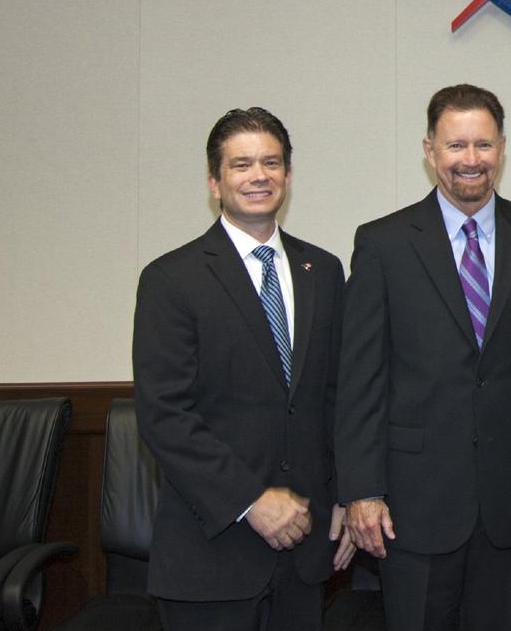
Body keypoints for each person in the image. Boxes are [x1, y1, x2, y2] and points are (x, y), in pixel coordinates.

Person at [335, 84, 511, 631]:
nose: (470, 160)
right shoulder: (383, 244)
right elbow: (360, 380)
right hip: (413, 506)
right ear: (430, 151)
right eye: (455, 146)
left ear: (502, 149)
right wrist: (361, 490)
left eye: (483, 145)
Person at [133, 107, 353, 631]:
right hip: (210, 557)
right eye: (241, 165)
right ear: (215, 182)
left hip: (304, 555)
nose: (259, 176)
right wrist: (250, 500)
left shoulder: (322, 270)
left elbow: (337, 396)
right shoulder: (171, 279)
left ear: (288, 176)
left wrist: (348, 492)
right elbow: (165, 415)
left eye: (271, 162)